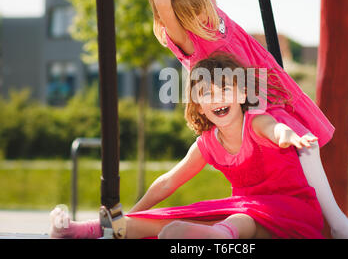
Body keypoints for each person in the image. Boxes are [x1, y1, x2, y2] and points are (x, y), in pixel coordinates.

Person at [148, 0, 348, 238]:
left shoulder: (203, 1)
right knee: (287, 134)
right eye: (193, 12)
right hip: (245, 96)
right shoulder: (185, 37)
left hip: (267, 84)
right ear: (177, 17)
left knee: (304, 144)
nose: (204, 14)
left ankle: (336, 222)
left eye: (203, 5)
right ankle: (334, 223)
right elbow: (164, 3)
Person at [50, 53, 324, 239]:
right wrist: (136, 211)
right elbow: (168, 182)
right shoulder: (207, 143)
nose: (216, 98)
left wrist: (288, 136)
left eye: (225, 89)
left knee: (242, 219)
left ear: (242, 94)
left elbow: (275, 129)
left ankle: (219, 235)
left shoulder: (256, 123)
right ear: (199, 106)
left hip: (291, 213)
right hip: (241, 209)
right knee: (158, 220)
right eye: (206, 93)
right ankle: (78, 230)